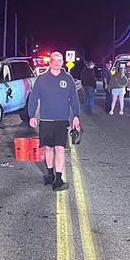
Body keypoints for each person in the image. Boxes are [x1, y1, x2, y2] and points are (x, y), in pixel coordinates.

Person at [27, 51, 81, 192]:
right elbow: (33, 98)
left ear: (62, 62)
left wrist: (76, 116)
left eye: (59, 60)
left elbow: (74, 99)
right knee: (48, 148)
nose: (57, 63)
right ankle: (50, 175)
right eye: (54, 60)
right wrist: (31, 116)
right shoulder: (41, 79)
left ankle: (58, 180)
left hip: (61, 120)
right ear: (50, 62)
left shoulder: (68, 79)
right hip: (46, 120)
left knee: (60, 149)